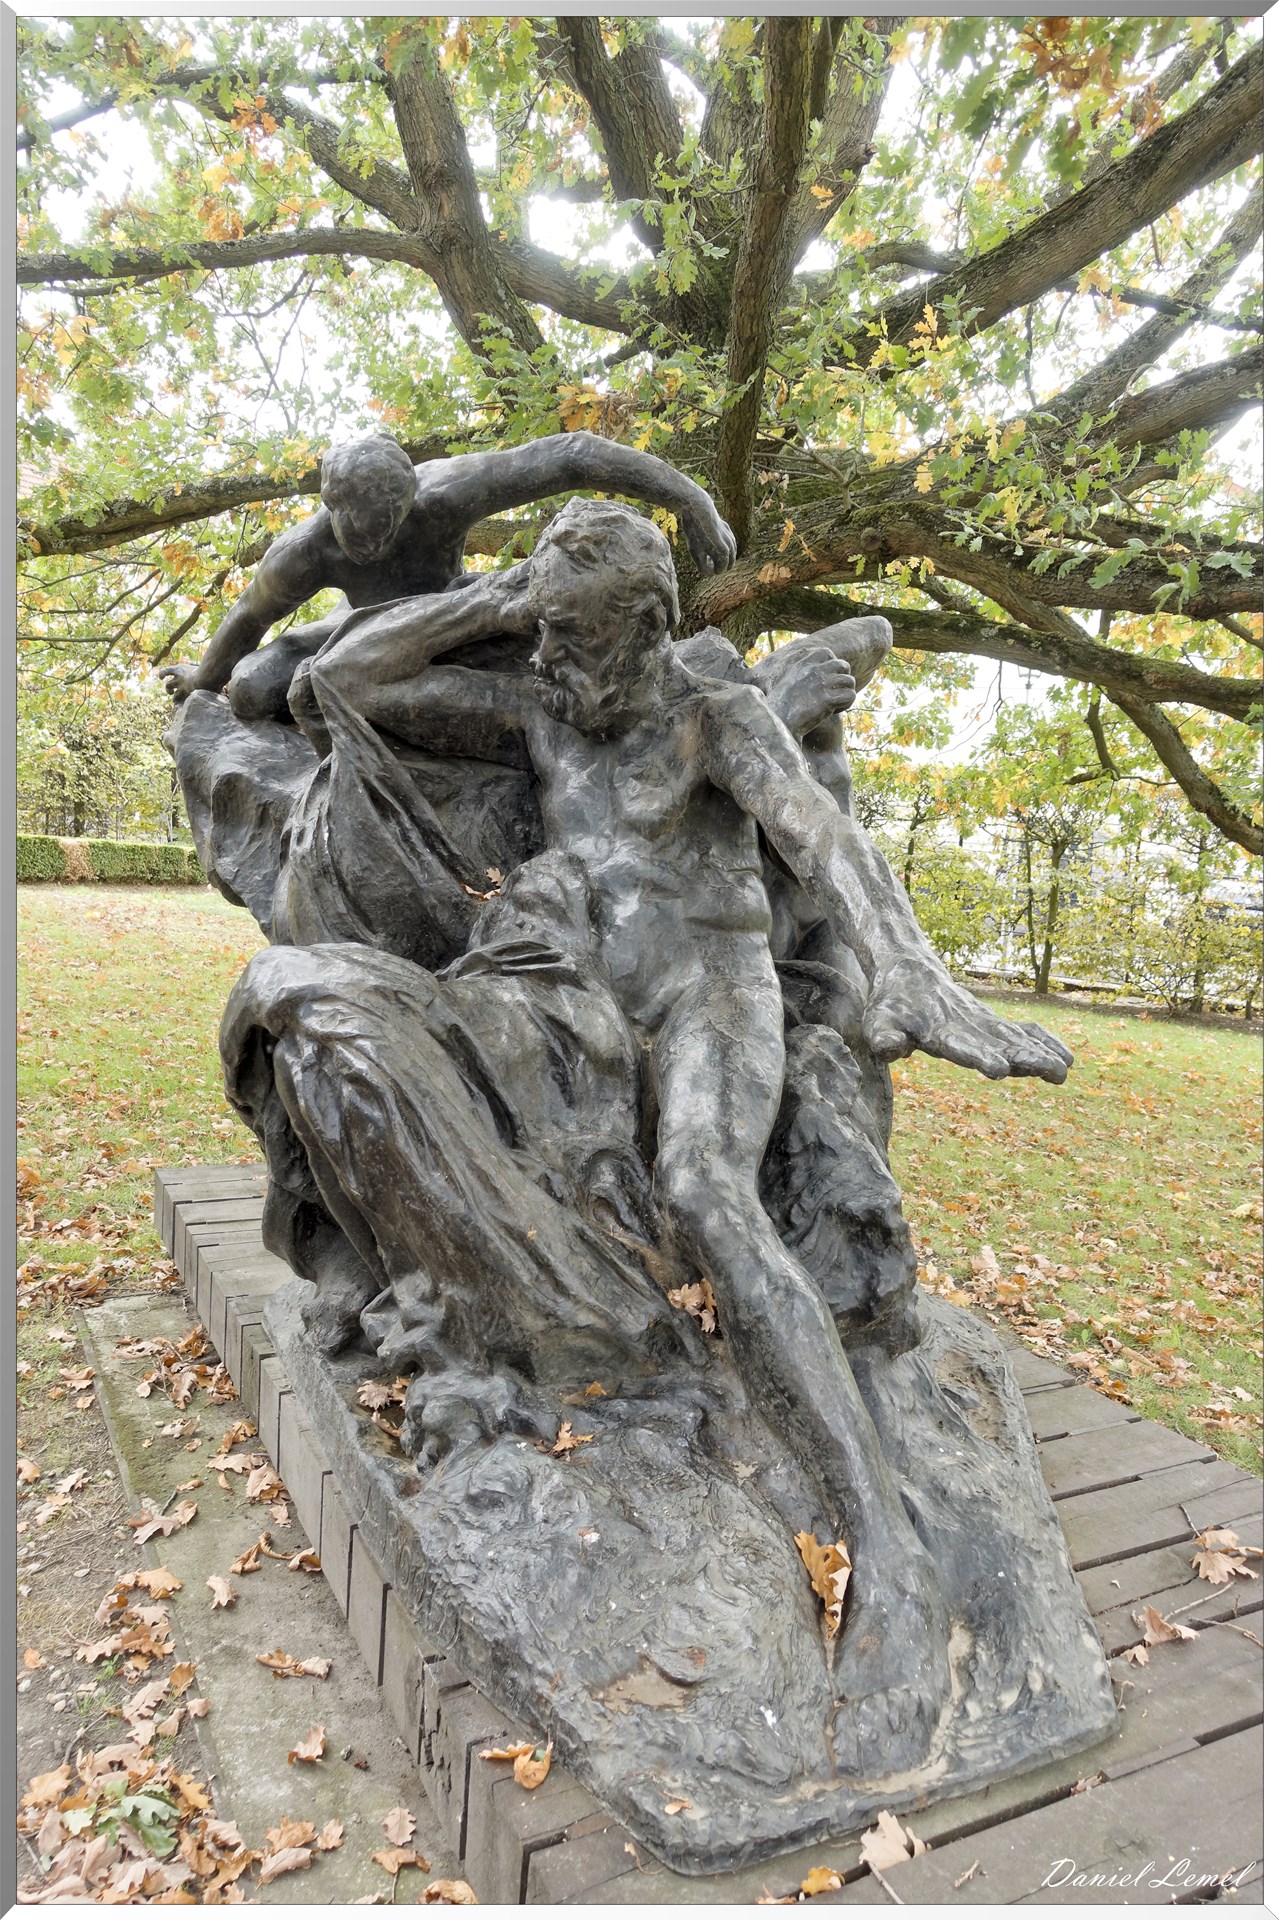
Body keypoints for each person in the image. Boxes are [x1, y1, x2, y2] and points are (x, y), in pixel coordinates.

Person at [298, 498, 1073, 1775]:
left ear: (649, 627)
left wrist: (908, 973)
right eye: (538, 638)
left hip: (711, 997)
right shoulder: (545, 702)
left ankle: (883, 1547)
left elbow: (827, 846)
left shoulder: (715, 713)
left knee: (710, 1186)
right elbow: (346, 676)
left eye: (571, 638)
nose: (546, 665)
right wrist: (506, 600)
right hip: (580, 1003)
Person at [159, 429, 737, 721]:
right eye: (358, 532)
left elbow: (571, 454)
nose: (374, 543)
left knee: (568, 611)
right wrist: (200, 683)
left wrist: (691, 500)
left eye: (388, 527)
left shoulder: (446, 493)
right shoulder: (303, 552)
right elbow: (247, 616)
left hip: (459, 611)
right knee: (253, 689)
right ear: (332, 507)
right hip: (360, 628)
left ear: (410, 500)